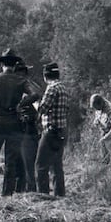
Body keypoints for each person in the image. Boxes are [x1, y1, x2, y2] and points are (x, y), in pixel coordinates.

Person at [0, 48, 40, 196]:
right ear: (14, 65)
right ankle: (6, 195)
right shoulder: (21, 80)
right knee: (11, 162)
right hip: (14, 124)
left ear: (2, 65)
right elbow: (36, 94)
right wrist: (22, 104)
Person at [35, 62, 70, 196]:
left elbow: (42, 109)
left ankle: (43, 196)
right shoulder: (63, 88)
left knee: (41, 165)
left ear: (45, 76)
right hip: (61, 131)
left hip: (50, 131)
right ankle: (60, 195)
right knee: (57, 166)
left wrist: (34, 101)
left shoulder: (51, 88)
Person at [14, 61, 42, 193]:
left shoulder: (29, 87)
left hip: (28, 127)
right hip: (23, 127)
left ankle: (30, 190)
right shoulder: (21, 86)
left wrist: (21, 105)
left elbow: (37, 102)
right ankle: (22, 189)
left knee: (27, 160)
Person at [90, 93, 111, 163]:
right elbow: (97, 118)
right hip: (103, 134)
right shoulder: (98, 108)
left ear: (101, 103)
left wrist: (106, 137)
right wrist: (95, 123)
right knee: (105, 159)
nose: (96, 110)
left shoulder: (110, 110)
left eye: (97, 108)